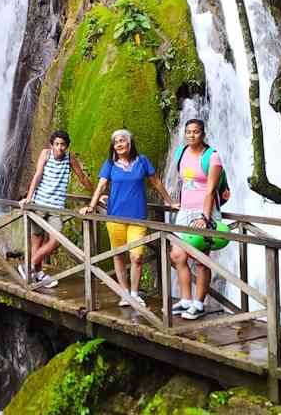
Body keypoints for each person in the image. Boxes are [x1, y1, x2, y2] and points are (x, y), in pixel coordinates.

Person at [80, 129, 177, 307]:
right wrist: (91, 206)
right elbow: (101, 186)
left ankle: (134, 292)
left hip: (138, 217)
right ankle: (124, 293)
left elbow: (156, 182)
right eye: (116, 142)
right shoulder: (110, 164)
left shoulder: (142, 161)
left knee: (137, 256)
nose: (119, 144)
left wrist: (170, 202)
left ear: (130, 143)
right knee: (118, 255)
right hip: (115, 216)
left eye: (122, 140)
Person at [19, 130, 94, 288]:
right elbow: (38, 175)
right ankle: (38, 274)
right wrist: (29, 197)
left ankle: (28, 266)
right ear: (52, 145)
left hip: (56, 208)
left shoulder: (70, 159)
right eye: (57, 144)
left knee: (56, 239)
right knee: (37, 242)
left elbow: (82, 178)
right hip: (39, 204)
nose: (60, 148)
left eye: (63, 145)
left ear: (67, 146)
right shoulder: (46, 154)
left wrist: (96, 194)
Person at [170, 119, 224, 320]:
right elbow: (183, 183)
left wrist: (205, 217)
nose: (192, 135)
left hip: (205, 212)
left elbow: (210, 190)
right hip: (185, 210)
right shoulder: (181, 153)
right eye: (188, 132)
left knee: (201, 259)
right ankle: (186, 300)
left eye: (196, 132)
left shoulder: (213, 157)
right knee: (177, 255)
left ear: (203, 134)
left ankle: (199, 304)